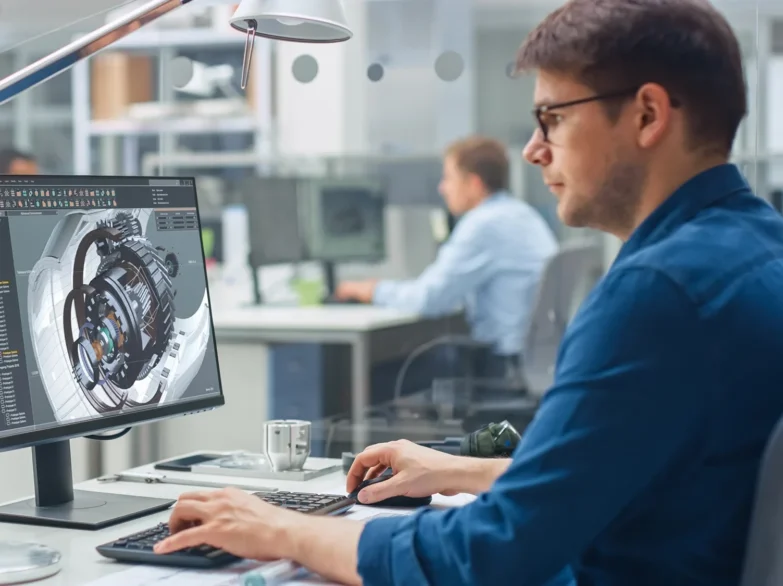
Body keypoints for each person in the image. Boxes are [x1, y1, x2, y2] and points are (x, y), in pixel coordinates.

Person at [154, 1, 783, 585]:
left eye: (553, 118)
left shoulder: (657, 293)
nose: (534, 150)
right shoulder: (754, 247)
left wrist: (285, 528)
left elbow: (492, 553)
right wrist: (459, 470)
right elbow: (624, 473)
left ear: (648, 114)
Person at [336, 136, 558, 366]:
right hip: (535, 357)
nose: (442, 188)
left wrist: (373, 290)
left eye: (449, 178)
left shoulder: (483, 224)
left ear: (473, 184)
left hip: (504, 362)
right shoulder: (522, 214)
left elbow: (429, 299)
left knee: (389, 368)